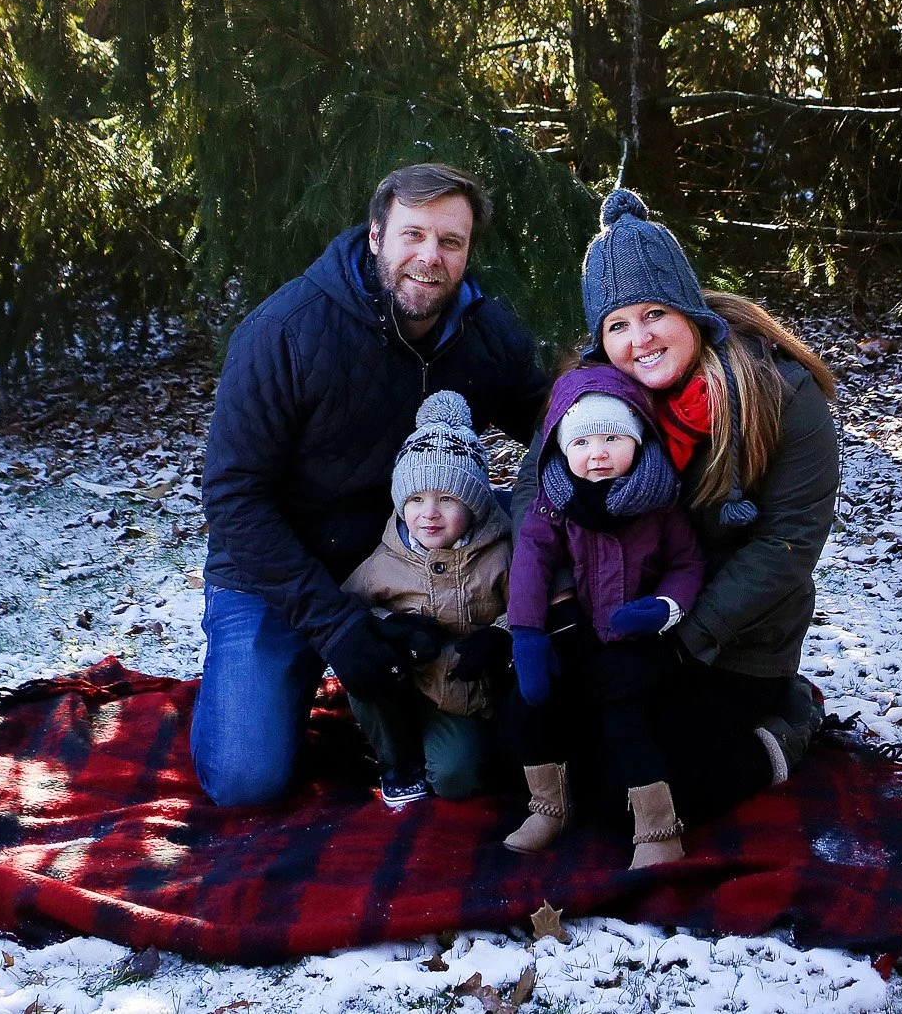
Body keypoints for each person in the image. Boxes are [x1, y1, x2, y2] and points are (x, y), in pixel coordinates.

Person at [195, 164, 551, 807]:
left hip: (422, 561)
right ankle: (286, 674)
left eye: (451, 242)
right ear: (375, 236)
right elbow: (233, 497)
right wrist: (335, 625)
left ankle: (425, 712)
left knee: (495, 751)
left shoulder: (485, 332)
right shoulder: (285, 331)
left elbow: (553, 435)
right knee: (245, 780)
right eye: (412, 235)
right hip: (282, 567)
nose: (430, 257)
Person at [515, 187, 840, 827]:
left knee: (644, 794)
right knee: (540, 758)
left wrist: (680, 644)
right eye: (617, 325)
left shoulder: (782, 396)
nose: (639, 340)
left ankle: (789, 723)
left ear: (689, 312)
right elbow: (533, 497)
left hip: (733, 640)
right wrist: (562, 607)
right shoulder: (587, 397)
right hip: (611, 616)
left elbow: (788, 545)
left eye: (654, 314)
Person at [500, 366, 704, 868]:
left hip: (635, 635)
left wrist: (665, 608)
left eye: (613, 437)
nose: (597, 453)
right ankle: (549, 806)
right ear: (563, 449)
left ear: (637, 440)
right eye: (583, 441)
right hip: (572, 630)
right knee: (532, 707)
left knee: (626, 719)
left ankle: (659, 829)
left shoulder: (659, 502)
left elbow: (687, 563)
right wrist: (526, 632)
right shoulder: (554, 503)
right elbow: (531, 562)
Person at [339, 391, 516, 807]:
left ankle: (449, 747)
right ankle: (396, 760)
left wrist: (500, 635)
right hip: (403, 683)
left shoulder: (503, 553)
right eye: (416, 499)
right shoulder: (386, 560)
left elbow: (530, 605)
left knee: (457, 778)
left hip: (460, 695)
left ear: (473, 505)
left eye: (447, 498)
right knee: (361, 668)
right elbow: (350, 610)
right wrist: (388, 626)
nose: (429, 513)